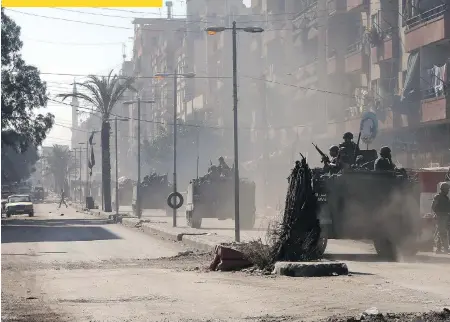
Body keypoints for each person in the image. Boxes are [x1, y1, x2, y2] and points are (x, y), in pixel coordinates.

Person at [432, 182, 450, 254]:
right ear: (442, 189)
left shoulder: (446, 198)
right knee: (442, 233)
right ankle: (445, 248)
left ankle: (438, 249)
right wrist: (437, 214)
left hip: (446, 217)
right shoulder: (438, 197)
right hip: (440, 217)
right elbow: (433, 206)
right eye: (447, 189)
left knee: (440, 233)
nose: (448, 191)